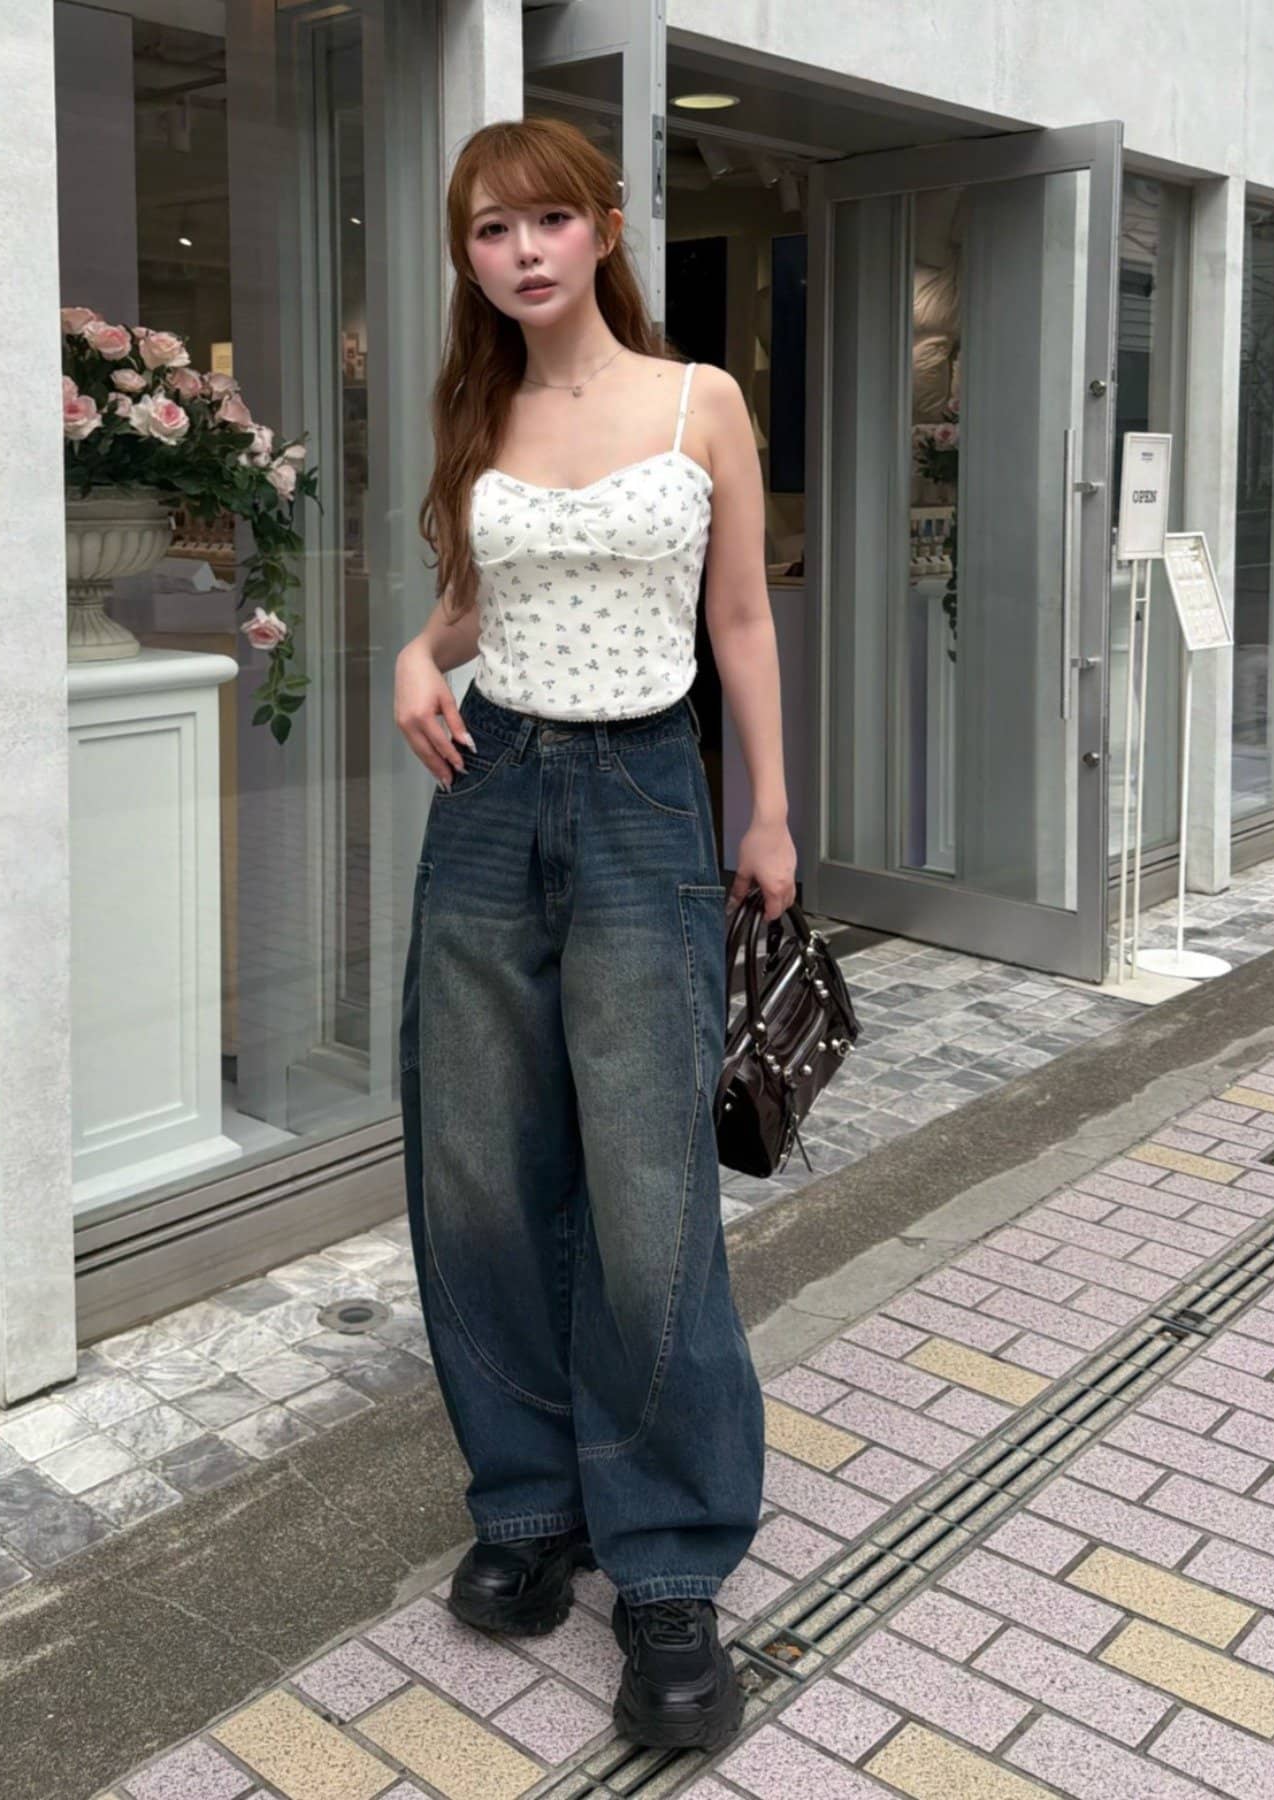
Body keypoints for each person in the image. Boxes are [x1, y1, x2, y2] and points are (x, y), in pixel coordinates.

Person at [393, 115, 796, 1755]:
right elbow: (480, 600)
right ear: (470, 256)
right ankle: (529, 1502)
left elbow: (741, 616)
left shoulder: (699, 402)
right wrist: (414, 658)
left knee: (644, 1191)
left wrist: (767, 814)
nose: (523, 252)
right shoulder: (480, 406)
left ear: (606, 227)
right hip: (489, 798)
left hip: (641, 800)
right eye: (491, 230)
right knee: (478, 1170)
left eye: (548, 220)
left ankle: (672, 1561)